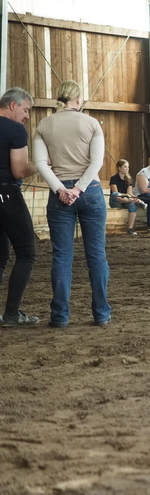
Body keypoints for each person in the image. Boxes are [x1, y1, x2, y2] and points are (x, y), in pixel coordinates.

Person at [33, 80, 111, 328]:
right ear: (78, 99)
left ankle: (59, 316)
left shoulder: (44, 125)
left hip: (59, 195)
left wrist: (61, 190)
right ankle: (101, 313)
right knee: (96, 255)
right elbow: (96, 163)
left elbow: (41, 163)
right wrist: (78, 189)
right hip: (89, 192)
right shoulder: (91, 123)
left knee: (62, 257)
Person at [0, 87, 39, 327]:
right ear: (13, 105)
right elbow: (19, 170)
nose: (26, 116)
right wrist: (40, 165)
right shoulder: (15, 130)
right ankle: (12, 313)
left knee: (0, 256)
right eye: (25, 110)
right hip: (6, 194)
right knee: (26, 252)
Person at [109, 159, 146, 235]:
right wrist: (130, 198)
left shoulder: (129, 179)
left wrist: (135, 198)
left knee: (132, 204)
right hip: (117, 201)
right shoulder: (114, 178)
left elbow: (130, 193)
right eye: (125, 167)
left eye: (128, 167)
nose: (127, 169)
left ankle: (130, 228)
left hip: (126, 199)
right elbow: (115, 192)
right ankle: (136, 202)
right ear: (119, 168)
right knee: (115, 195)